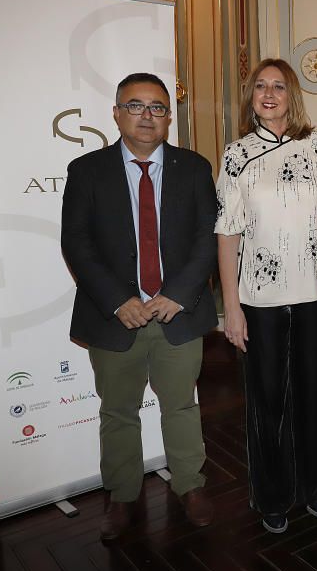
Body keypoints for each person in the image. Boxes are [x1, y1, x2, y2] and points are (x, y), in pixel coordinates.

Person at [61, 72, 217, 541]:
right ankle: (122, 497)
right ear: (116, 112)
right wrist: (117, 301)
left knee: (182, 407)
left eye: (158, 108)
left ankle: (191, 486)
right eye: (136, 105)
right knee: (118, 412)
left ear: (169, 117)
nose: (147, 116)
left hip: (178, 313)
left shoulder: (194, 168)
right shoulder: (86, 170)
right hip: (116, 318)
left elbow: (207, 237)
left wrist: (179, 292)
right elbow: (78, 243)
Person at [215, 58, 317, 534]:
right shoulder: (236, 154)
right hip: (259, 299)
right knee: (268, 401)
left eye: (279, 87)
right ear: (251, 96)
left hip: (315, 294)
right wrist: (231, 308)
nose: (269, 94)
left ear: (293, 95)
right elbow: (227, 234)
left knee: (313, 396)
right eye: (261, 86)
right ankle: (272, 494)